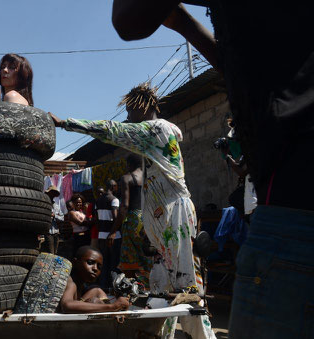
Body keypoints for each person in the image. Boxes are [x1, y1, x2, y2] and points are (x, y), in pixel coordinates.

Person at [111, 2, 314, 338]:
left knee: (183, 280)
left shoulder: (159, 131)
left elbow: (128, 19)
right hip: (275, 200)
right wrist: (185, 24)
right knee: (170, 278)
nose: (130, 122)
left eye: (132, 115)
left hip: (289, 204)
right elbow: (240, 65)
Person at [50, 82, 215, 338]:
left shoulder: (157, 129)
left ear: (142, 107)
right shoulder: (160, 136)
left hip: (175, 217)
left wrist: (66, 123)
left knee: (186, 287)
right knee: (161, 286)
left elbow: (112, 130)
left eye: (130, 111)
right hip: (164, 219)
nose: (127, 117)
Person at [113, 154, 154, 289]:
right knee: (147, 254)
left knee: (129, 257)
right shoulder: (150, 178)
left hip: (133, 219)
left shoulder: (127, 178)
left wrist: (113, 230)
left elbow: (124, 206)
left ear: (129, 164)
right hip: (148, 219)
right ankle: (150, 286)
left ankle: (132, 288)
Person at [59, 246, 130, 313]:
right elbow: (67, 305)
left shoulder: (81, 284)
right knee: (95, 300)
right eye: (90, 263)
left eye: (99, 267)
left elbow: (97, 291)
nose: (95, 268)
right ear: (75, 262)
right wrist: (112, 306)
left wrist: (117, 306)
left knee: (97, 290)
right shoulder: (70, 282)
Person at [94, 179, 121, 290]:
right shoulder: (114, 200)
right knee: (114, 263)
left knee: (104, 262)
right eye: (116, 186)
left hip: (101, 235)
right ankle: (114, 287)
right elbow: (115, 217)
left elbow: (96, 219)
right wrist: (114, 231)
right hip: (114, 235)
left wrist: (101, 229)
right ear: (113, 187)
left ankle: (103, 286)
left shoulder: (98, 200)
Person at [43, 185, 63, 254]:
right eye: (51, 193)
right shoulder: (44, 205)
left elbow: (62, 218)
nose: (52, 195)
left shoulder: (56, 206)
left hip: (56, 232)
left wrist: (55, 216)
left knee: (55, 252)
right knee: (51, 252)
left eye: (53, 193)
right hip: (48, 232)